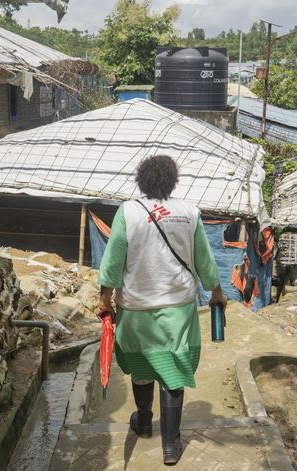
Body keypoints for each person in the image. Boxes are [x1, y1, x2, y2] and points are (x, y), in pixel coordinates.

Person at [97, 154, 228, 465]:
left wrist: (104, 301)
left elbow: (113, 261)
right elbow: (204, 261)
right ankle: (171, 445)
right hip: (179, 307)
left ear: (141, 180)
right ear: (173, 181)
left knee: (142, 368)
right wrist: (217, 292)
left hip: (136, 308)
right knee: (174, 370)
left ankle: (143, 422)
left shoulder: (127, 212)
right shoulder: (189, 212)